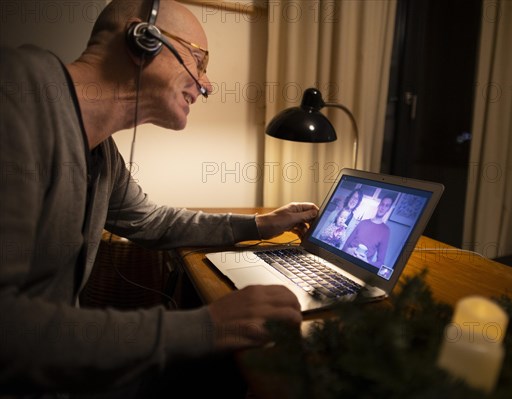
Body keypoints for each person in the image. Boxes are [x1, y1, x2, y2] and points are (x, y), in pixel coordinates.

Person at [0, 0, 318, 397]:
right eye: (199, 61)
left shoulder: (103, 156)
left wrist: (259, 224)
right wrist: (206, 326)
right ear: (143, 39)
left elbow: (154, 221)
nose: (207, 83)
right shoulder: (15, 93)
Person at [342, 194, 395, 267]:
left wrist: (366, 262)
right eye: (382, 204)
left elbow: (380, 263)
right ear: (379, 205)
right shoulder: (363, 222)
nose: (383, 207)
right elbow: (345, 245)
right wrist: (348, 250)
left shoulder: (386, 231)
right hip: (346, 260)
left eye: (386, 206)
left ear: (388, 209)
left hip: (360, 267)